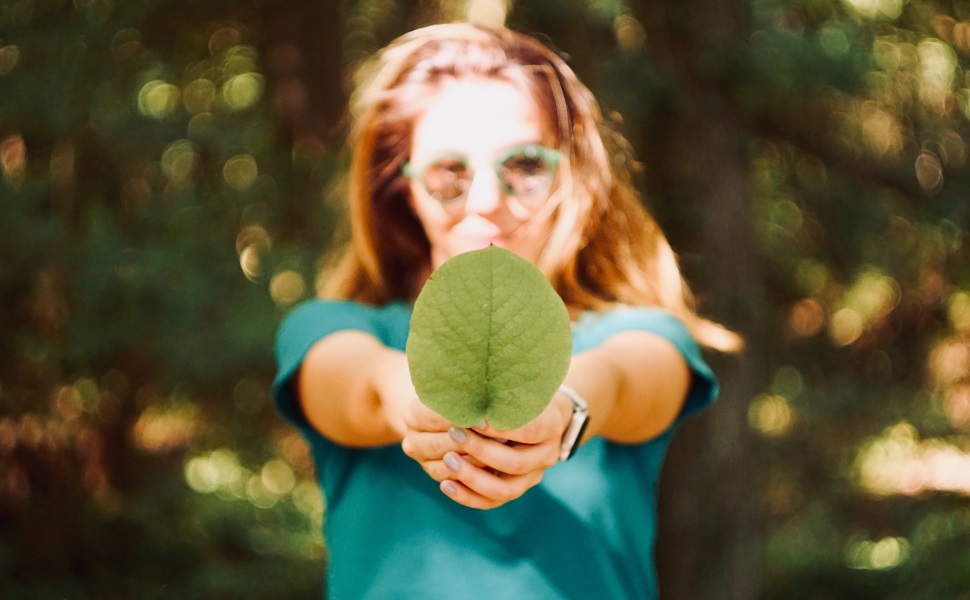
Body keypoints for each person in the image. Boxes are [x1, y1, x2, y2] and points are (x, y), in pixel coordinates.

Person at [272, 21, 740, 599]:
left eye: (524, 165)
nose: (488, 202)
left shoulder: (639, 333)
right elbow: (359, 386)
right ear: (403, 188)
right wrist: (415, 403)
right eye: (450, 172)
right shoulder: (331, 327)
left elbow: (623, 380)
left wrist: (563, 411)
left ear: (572, 176)